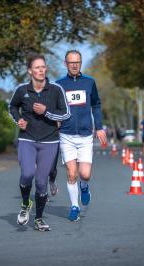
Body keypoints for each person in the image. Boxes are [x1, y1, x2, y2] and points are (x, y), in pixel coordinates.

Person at [9, 54, 70, 231]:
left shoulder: (56, 89)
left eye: (43, 67)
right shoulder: (22, 90)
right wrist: (18, 120)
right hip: (27, 138)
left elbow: (66, 114)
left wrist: (47, 112)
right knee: (27, 174)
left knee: (41, 182)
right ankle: (25, 204)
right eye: (37, 67)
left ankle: (39, 219)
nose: (41, 70)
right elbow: (12, 107)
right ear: (30, 71)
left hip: (49, 141)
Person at [56, 50, 107, 221]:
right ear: (66, 64)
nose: (75, 65)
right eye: (71, 62)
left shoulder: (89, 83)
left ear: (81, 62)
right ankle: (74, 206)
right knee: (72, 173)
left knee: (84, 174)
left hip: (85, 135)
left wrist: (99, 127)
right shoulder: (59, 85)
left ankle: (84, 187)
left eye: (77, 62)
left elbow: (96, 106)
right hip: (66, 135)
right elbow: (55, 109)